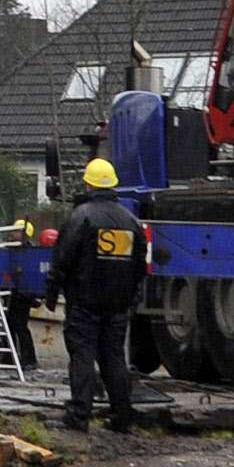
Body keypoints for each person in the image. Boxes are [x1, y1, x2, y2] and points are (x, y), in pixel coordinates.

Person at [46, 159, 155, 431]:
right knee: (113, 357)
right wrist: (131, 297)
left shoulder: (80, 216)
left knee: (82, 355)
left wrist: (50, 292)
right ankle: (122, 415)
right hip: (117, 304)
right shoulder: (130, 221)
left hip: (84, 302)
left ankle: (79, 415)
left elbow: (62, 259)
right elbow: (140, 266)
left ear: (88, 183)